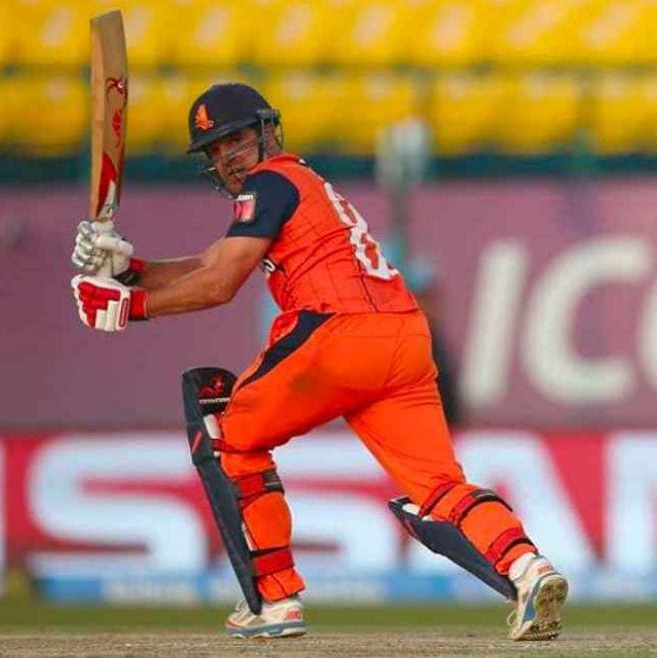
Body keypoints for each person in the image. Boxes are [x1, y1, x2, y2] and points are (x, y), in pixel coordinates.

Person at [69, 83, 567, 641]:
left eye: (235, 140)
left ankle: (275, 599)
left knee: (227, 433)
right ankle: (528, 568)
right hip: (403, 338)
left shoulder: (268, 182)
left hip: (337, 331)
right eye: (215, 149)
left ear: (267, 132)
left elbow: (219, 283)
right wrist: (132, 270)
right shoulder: (297, 184)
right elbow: (213, 260)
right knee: (438, 486)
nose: (226, 157)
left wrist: (130, 307)